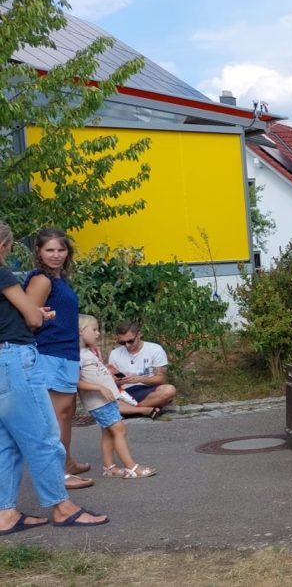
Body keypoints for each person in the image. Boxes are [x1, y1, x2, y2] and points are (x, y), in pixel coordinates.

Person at [0, 220, 108, 533]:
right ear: (4, 245)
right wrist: (40, 315)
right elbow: (32, 317)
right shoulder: (4, 274)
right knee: (44, 436)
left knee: (7, 443)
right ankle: (62, 508)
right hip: (14, 358)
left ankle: (6, 513)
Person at [22, 228, 92, 489]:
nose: (56, 255)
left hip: (66, 352)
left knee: (67, 411)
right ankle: (58, 472)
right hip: (50, 351)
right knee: (57, 415)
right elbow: (28, 319)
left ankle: (68, 462)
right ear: (38, 252)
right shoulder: (41, 279)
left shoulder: (58, 278)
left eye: (61, 249)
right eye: (49, 250)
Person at [77, 315, 157, 479]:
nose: (98, 333)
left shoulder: (88, 353)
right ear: (80, 332)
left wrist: (109, 374)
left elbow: (94, 374)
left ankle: (109, 467)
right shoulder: (78, 355)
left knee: (108, 432)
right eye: (94, 330)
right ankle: (131, 467)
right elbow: (75, 381)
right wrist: (100, 387)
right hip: (99, 402)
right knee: (120, 430)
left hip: (107, 399)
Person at [107, 321, 176, 418]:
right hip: (124, 392)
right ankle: (145, 410)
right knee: (103, 400)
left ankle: (129, 410)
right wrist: (117, 380)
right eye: (122, 342)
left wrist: (140, 379)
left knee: (169, 390)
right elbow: (112, 384)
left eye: (130, 341)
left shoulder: (155, 349)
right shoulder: (115, 353)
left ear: (139, 335)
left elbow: (161, 379)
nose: (127, 345)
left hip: (148, 390)